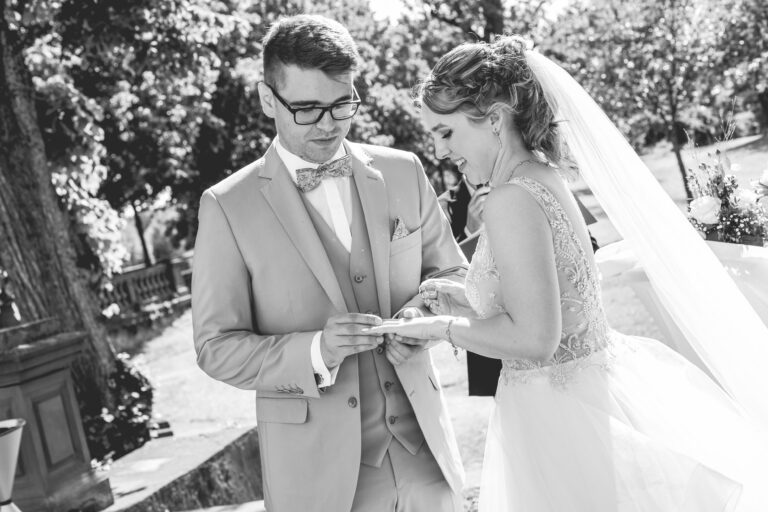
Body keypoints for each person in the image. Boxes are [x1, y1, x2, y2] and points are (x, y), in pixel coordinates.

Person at [366, 36, 768, 510]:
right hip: (590, 392)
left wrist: (439, 328)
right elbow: (551, 296)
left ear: (493, 118)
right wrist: (465, 298)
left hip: (560, 416)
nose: (438, 149)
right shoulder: (542, 176)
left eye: (446, 132)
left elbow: (536, 339)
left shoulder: (510, 198)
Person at [191, 15, 466, 512]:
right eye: (307, 109)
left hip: (426, 455)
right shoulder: (226, 207)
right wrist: (317, 351)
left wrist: (423, 317)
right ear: (267, 99)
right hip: (316, 478)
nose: (328, 124)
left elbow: (453, 274)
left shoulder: (403, 171)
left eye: (342, 104)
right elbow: (215, 347)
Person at [439, 173, 599, 397]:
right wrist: (470, 229)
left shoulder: (533, 184)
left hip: (564, 338)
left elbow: (588, 245)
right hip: (494, 349)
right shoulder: (445, 206)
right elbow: (447, 269)